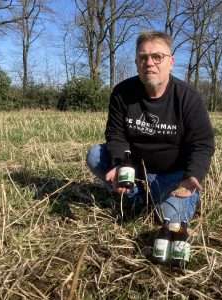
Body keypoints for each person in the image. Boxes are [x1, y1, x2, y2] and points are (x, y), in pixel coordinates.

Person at [86, 31, 214, 224]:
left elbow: (202, 143)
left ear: (171, 62)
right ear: (137, 62)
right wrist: (119, 162)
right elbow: (115, 134)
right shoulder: (122, 93)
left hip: (173, 174)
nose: (149, 63)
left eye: (157, 57)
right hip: (135, 169)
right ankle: (135, 196)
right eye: (143, 57)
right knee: (95, 155)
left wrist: (193, 175)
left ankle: (171, 200)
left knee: (169, 220)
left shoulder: (188, 98)